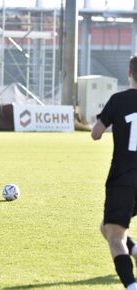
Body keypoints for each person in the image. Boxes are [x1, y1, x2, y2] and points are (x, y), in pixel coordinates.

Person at [92, 55, 137, 290]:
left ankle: (131, 286)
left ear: (130, 73)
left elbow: (96, 133)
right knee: (107, 227)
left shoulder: (118, 100)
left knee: (115, 236)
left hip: (124, 178)